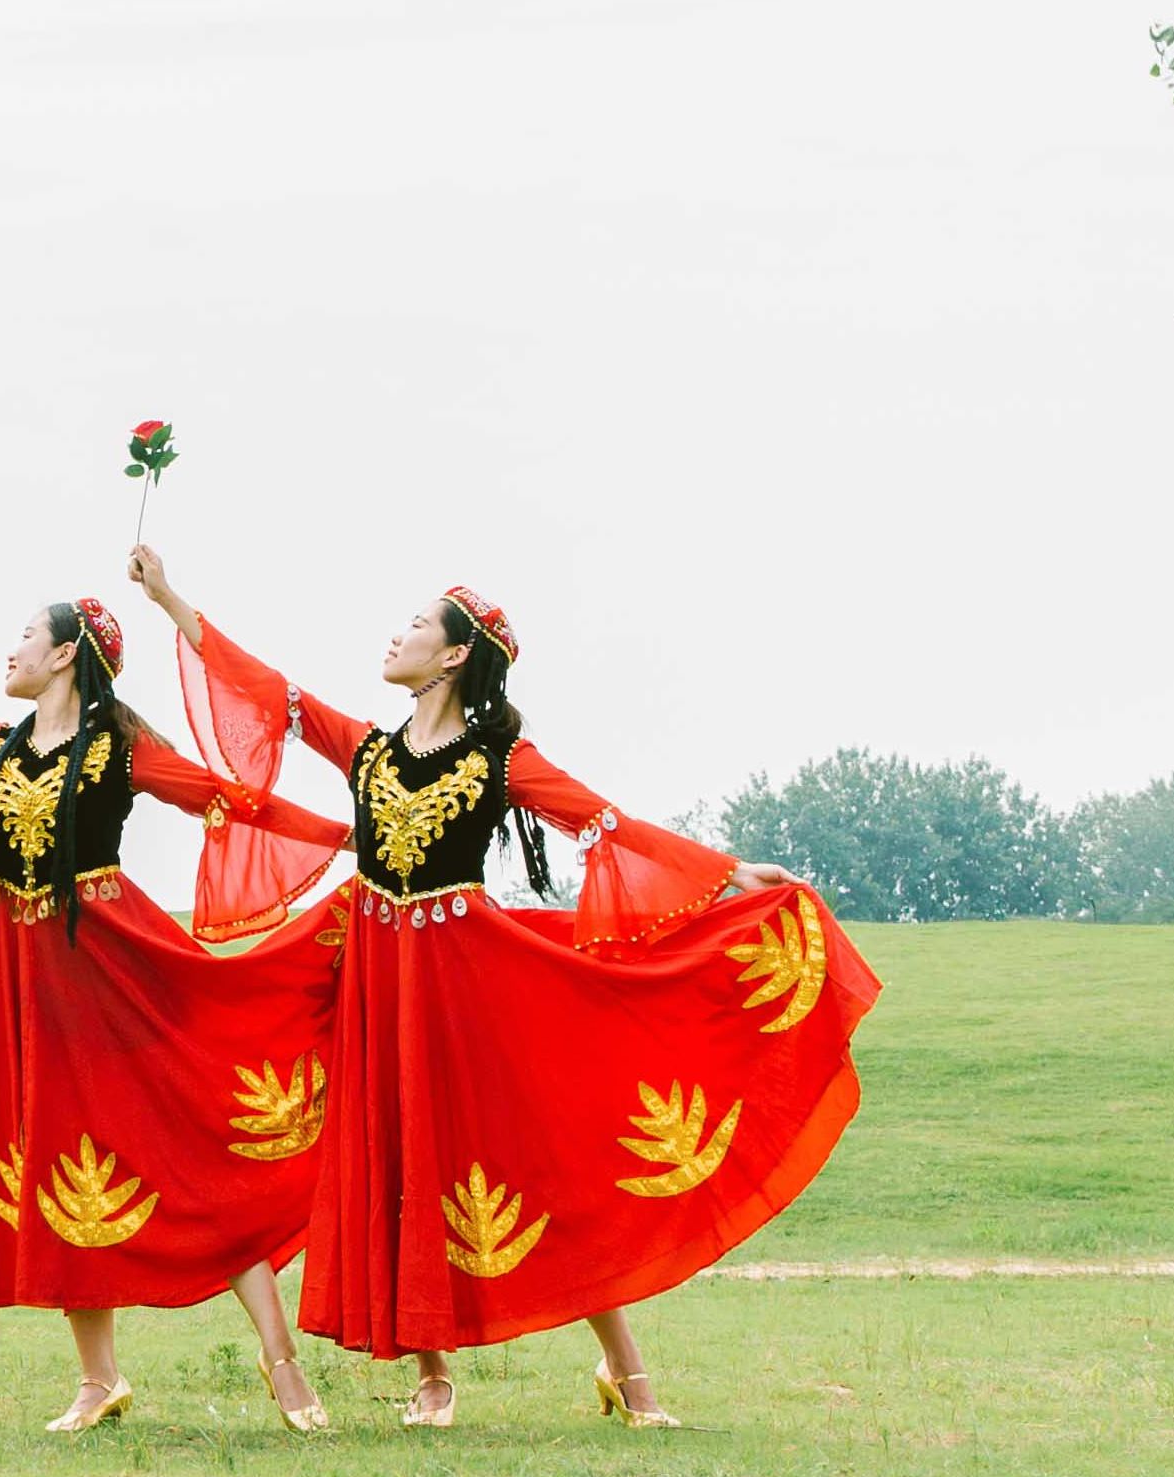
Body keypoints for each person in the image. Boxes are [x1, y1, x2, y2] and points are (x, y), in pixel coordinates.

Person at [137, 545, 874, 1429]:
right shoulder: (368, 749)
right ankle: (431, 1376)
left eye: (416, 625)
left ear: (453, 655)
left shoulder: (500, 758)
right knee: (401, 1156)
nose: (397, 634)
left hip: (470, 978)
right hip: (378, 976)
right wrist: (171, 599)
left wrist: (725, 877)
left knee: (537, 1152)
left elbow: (606, 825)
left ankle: (628, 1375)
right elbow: (272, 696)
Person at [0, 577, 355, 1434]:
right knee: (64, 1158)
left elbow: (226, 801)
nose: (8, 649)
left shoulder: (118, 748)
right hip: (27, 974)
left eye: (24, 636)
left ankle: (282, 1366)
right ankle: (98, 1379)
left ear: (63, 654)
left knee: (182, 1141)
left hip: (112, 962)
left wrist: (351, 837)